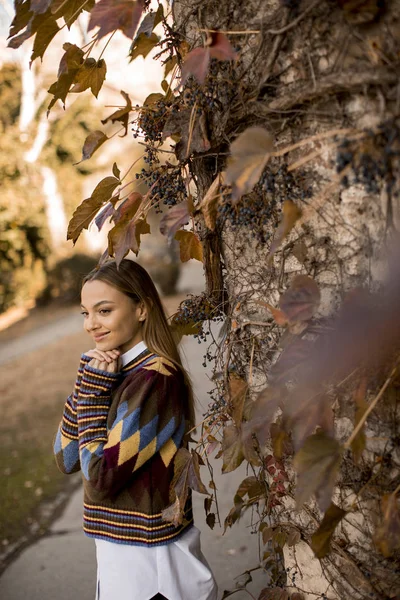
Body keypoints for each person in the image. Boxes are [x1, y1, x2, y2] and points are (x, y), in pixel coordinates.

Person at [53, 258, 217, 600]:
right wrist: (88, 383)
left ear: (141, 308)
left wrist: (95, 394)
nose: (91, 324)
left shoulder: (154, 379)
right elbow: (66, 457)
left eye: (104, 310)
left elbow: (98, 481)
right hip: (119, 555)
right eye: (85, 313)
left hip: (152, 563)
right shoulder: (114, 372)